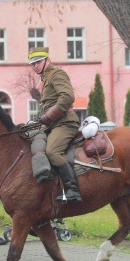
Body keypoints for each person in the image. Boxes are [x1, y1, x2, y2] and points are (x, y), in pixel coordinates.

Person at [28, 46, 82, 203]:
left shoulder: (56, 73)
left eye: (38, 62)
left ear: (48, 60)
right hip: (54, 124)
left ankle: (73, 190)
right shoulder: (46, 78)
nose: (35, 66)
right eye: (33, 63)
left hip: (65, 123)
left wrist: (49, 115)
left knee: (52, 152)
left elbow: (68, 96)